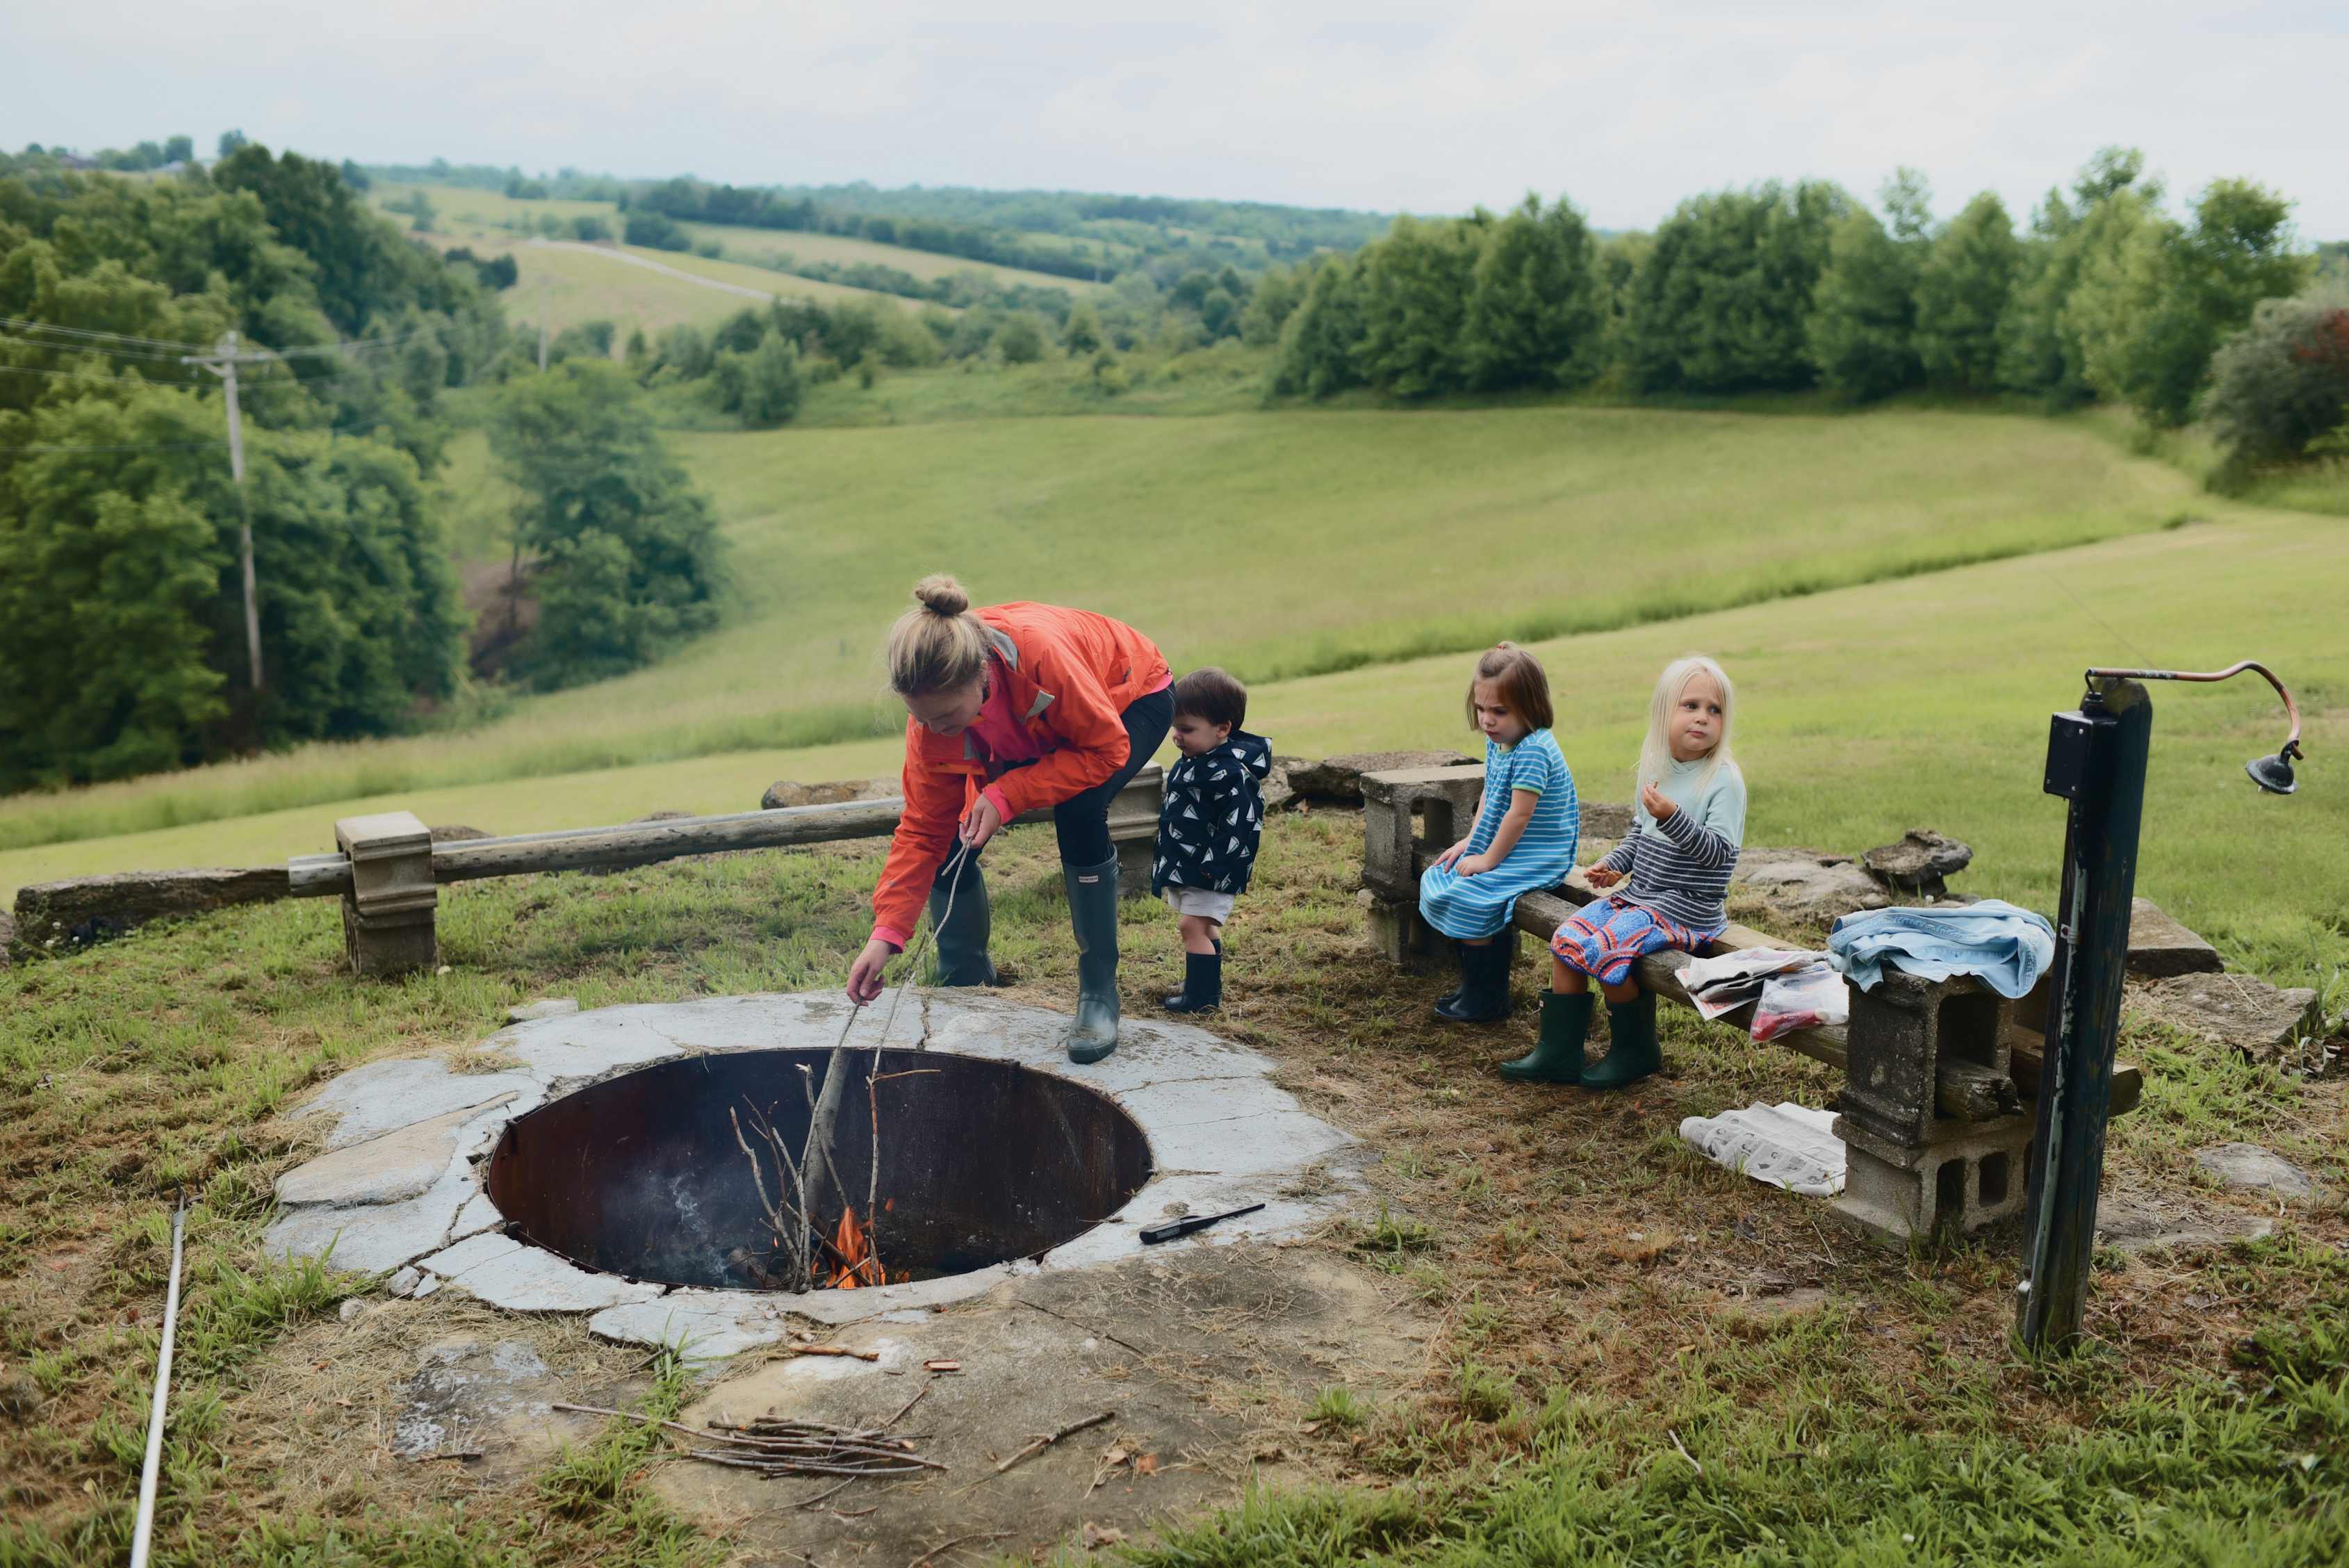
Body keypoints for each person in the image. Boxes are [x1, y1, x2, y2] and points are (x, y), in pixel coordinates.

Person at [844, 575, 1172, 1064]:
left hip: (1129, 697)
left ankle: (1099, 993)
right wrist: (886, 934)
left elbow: (1105, 749)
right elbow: (921, 829)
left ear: (981, 676)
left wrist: (1008, 793)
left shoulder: (1040, 657)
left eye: (946, 718)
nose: (935, 730)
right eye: (923, 719)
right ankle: (965, 976)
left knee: (1080, 808)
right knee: (950, 831)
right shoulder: (936, 722)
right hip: (1026, 728)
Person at [1514, 654, 1744, 1088]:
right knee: (1567, 936)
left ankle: (1635, 1050)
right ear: (1664, 712)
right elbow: (1640, 834)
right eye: (1690, 706)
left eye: (1714, 710)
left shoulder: (1723, 780)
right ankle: (1558, 1051)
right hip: (1643, 897)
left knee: (1607, 948)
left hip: (1688, 909)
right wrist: (1615, 866)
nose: (1702, 719)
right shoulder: (1659, 770)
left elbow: (1719, 858)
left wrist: (1674, 816)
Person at [1416, 644, 1580, 1023]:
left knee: (1471, 894)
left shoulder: (1534, 750)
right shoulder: (1500, 741)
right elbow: (1491, 795)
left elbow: (1520, 816)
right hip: (1506, 842)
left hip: (1538, 851)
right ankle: (1475, 986)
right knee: (1442, 874)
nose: (1487, 720)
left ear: (1531, 705)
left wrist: (1488, 859)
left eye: (1498, 711)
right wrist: (1472, 842)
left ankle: (1488, 998)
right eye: (1480, 708)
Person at [1151, 667, 1270, 1015]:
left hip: (1210, 869)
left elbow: (1242, 826)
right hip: (1190, 863)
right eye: (1176, 727)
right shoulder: (1196, 760)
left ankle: (1201, 999)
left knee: (1191, 927)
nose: (1177, 736)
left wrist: (1214, 869)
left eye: (1187, 729)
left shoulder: (1231, 774)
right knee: (1203, 929)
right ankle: (1204, 986)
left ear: (1223, 729)